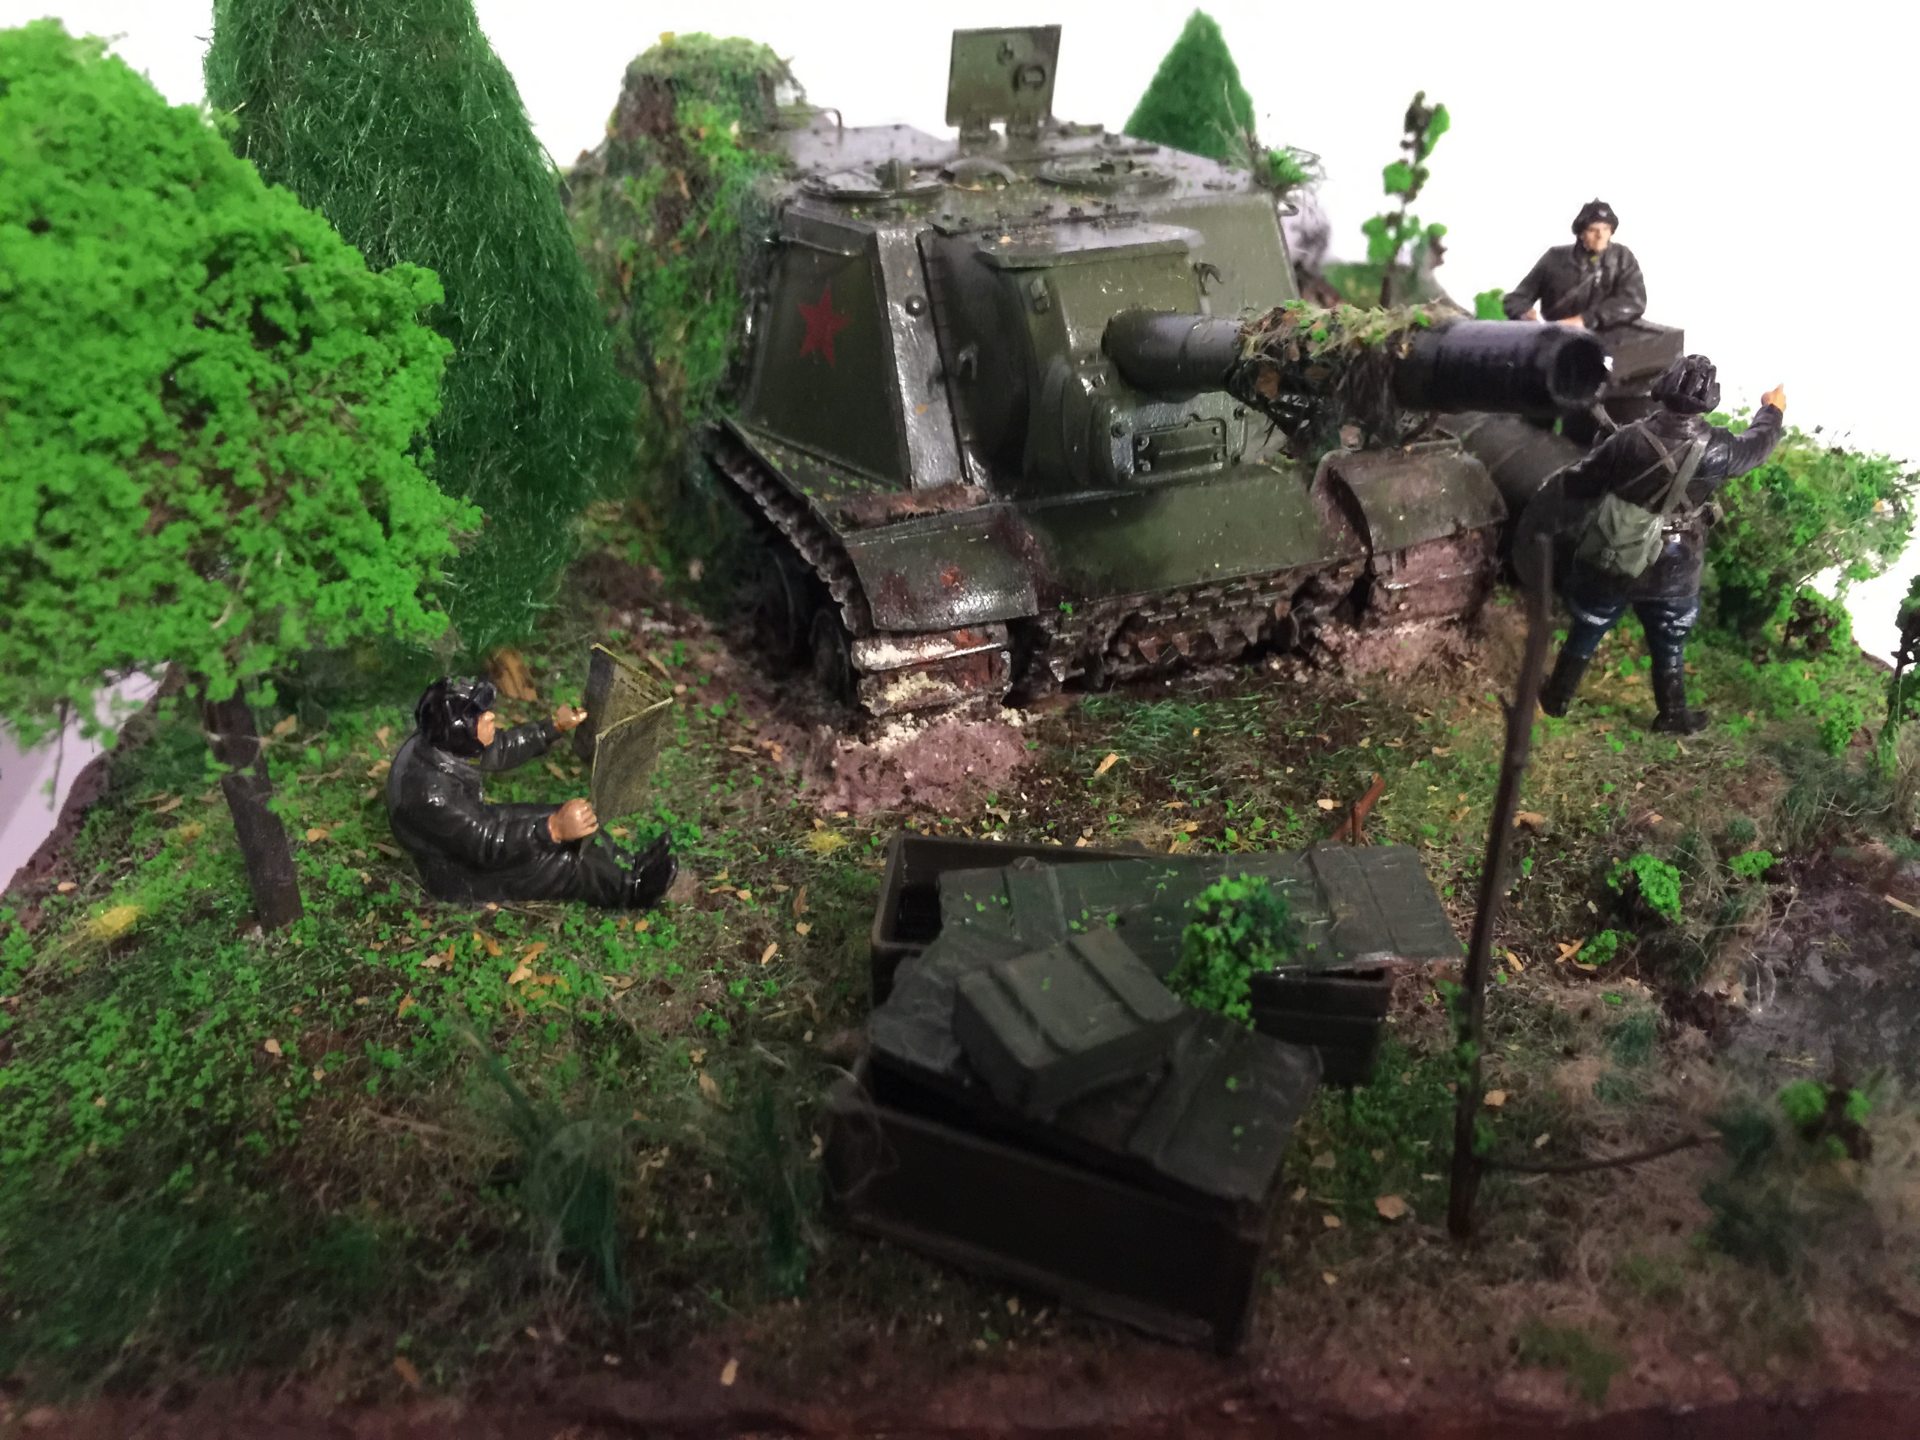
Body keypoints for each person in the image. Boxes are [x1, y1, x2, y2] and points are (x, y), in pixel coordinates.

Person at [1534, 355, 1786, 733]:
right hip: (1676, 561)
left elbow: (1581, 481)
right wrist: (1772, 411)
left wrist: (1607, 458)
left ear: (1663, 387)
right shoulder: (1720, 448)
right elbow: (1759, 445)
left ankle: (1557, 698)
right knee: (1669, 637)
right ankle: (1672, 714)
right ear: (1710, 398)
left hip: (1618, 547)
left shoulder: (1628, 438)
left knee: (1590, 622)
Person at [386, 676, 676, 907]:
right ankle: (634, 887)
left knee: (568, 818)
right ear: (460, 730)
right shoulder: (432, 796)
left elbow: (499, 748)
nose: (491, 718)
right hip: (461, 873)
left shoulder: (444, 742)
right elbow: (487, 845)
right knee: (566, 862)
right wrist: (552, 830)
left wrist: (551, 727)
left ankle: (630, 863)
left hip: (472, 831)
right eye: (482, 717)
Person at [1502, 199, 1646, 335]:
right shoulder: (1555, 258)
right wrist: (1525, 314)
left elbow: (1634, 301)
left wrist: (1585, 320)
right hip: (1560, 335)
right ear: (1581, 233)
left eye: (1606, 229)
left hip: (1609, 334)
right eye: (1593, 230)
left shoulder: (1622, 258)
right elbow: (1516, 298)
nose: (1600, 236)